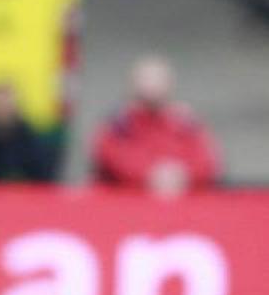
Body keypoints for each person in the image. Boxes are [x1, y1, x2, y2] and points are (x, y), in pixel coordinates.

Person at [91, 54, 221, 196]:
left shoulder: (187, 123)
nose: (152, 86)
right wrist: (149, 175)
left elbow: (208, 160)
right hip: (128, 201)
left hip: (182, 202)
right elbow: (111, 157)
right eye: (147, 79)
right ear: (133, 83)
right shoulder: (118, 124)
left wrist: (182, 175)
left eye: (158, 80)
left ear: (170, 83)